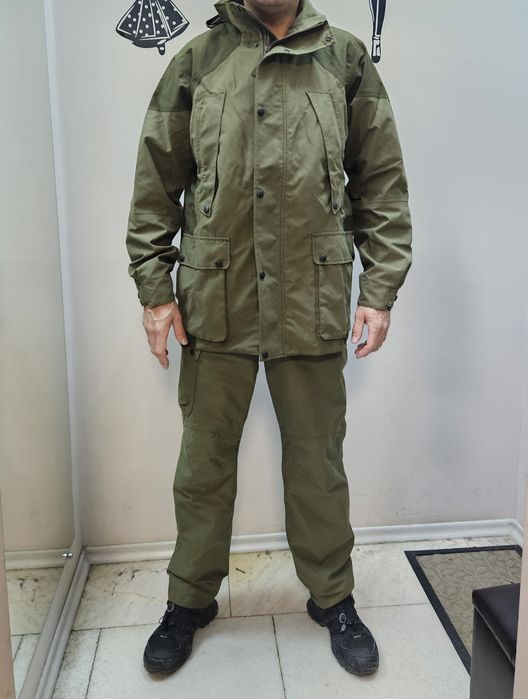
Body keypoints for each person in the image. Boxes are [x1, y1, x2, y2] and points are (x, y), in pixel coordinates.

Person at [125, 0, 412, 679]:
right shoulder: (198, 62)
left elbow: (381, 182)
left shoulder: (344, 59)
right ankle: (189, 598)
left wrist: (379, 289)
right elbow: (156, 183)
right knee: (202, 463)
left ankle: (333, 596)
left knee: (319, 461)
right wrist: (155, 290)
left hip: (310, 295)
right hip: (215, 296)